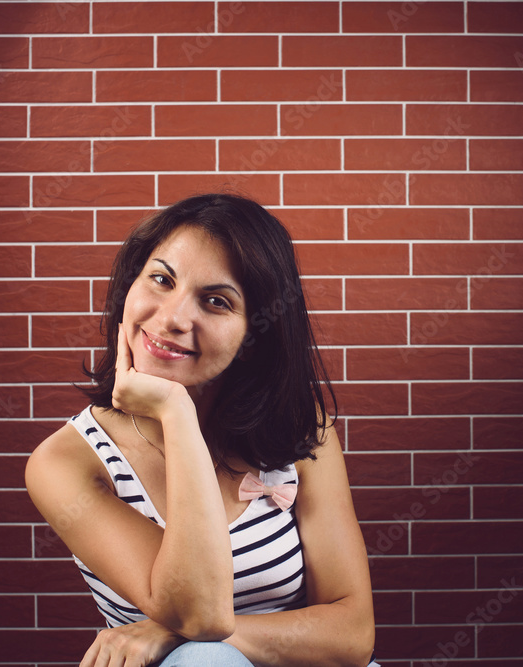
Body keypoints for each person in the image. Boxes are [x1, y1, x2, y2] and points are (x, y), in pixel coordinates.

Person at [25, 193, 377, 667]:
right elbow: (200, 615)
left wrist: (170, 634)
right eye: (161, 279)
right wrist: (175, 411)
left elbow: (353, 635)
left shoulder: (301, 427)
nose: (171, 319)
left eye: (215, 301)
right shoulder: (66, 463)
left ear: (254, 338)